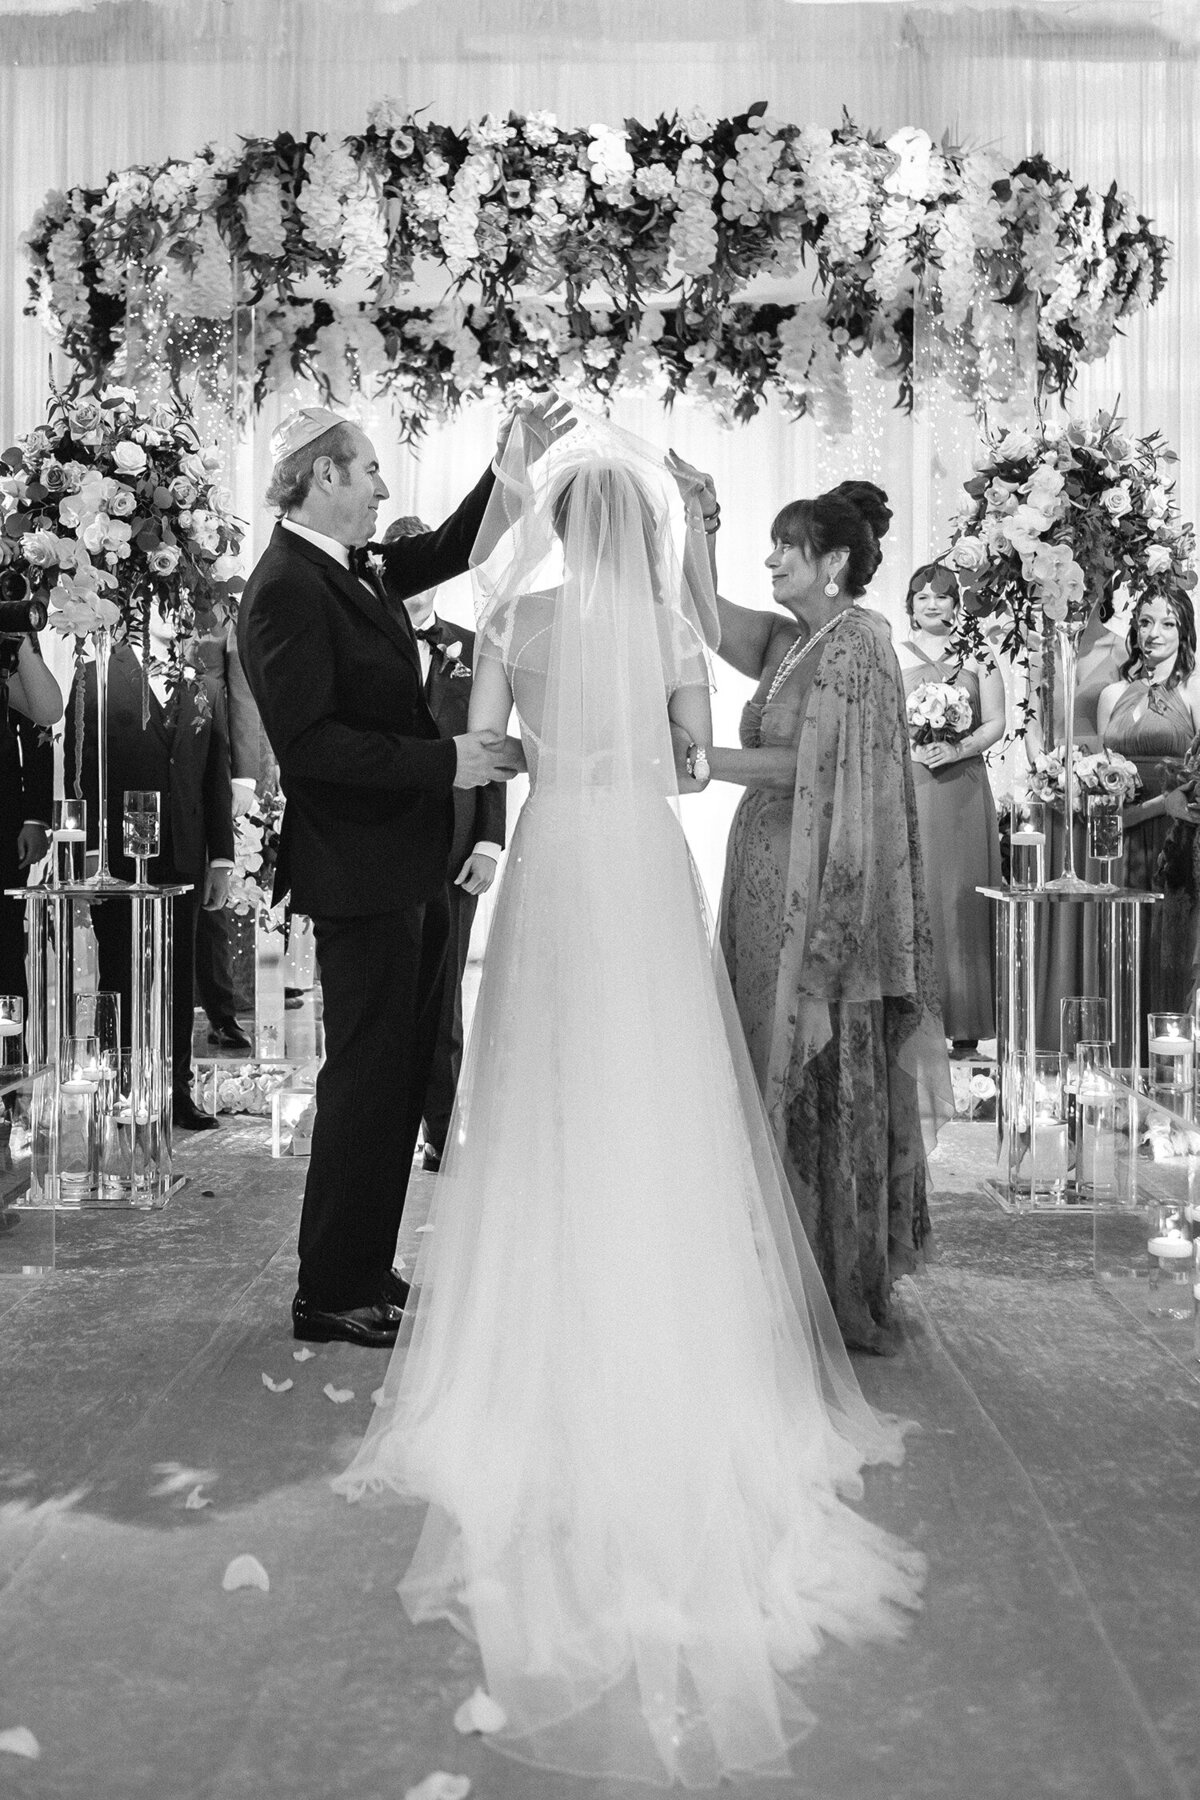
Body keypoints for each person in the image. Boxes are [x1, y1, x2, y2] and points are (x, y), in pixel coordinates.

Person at [334, 411, 925, 1788]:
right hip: (640, 859)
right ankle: (660, 1284)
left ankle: (538, 1290)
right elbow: (680, 765)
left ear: (556, 521)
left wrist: (535, 754)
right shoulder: (665, 629)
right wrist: (615, 759)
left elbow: (485, 758)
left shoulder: (514, 623)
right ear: (641, 529)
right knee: (659, 1073)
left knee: (541, 1078)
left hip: (552, 858)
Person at [238, 402, 567, 1350]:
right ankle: (329, 1289)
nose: (385, 488)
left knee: (397, 1076)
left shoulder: (357, 568)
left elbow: (462, 544)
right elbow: (310, 748)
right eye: (371, 470)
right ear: (324, 476)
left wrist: (512, 465)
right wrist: (445, 763)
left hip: (406, 866)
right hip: (359, 874)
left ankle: (366, 1267)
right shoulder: (286, 588)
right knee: (364, 1081)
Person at [666, 456, 951, 1354]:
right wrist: (699, 518)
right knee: (759, 1053)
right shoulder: (788, 644)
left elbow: (826, 772)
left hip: (822, 889)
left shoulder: (861, 641)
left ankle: (825, 1278)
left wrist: (711, 763)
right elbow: (700, 616)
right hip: (759, 883)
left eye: (786, 549)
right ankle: (766, 1261)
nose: (772, 563)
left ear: (832, 562)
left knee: (810, 1060)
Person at [67, 615, 235, 1130]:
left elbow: (215, 775)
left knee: (177, 974)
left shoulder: (203, 684)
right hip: (116, 861)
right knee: (120, 971)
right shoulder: (94, 674)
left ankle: (175, 1090)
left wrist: (221, 860)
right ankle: (119, 1091)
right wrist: (85, 858)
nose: (179, 611)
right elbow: (78, 774)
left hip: (183, 854)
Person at [379, 516, 506, 1173]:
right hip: (388, 850)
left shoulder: (472, 646)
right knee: (390, 996)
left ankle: (443, 1129)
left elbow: (491, 747)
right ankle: (385, 1130)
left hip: (458, 848)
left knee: (446, 996)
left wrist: (489, 841)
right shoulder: (368, 648)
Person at [897, 561, 1004, 1056]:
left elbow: (996, 723)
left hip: (961, 787)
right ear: (911, 606)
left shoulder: (978, 655)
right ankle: (910, 1022)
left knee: (961, 897)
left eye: (941, 595)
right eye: (922, 596)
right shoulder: (894, 655)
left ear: (957, 606)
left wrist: (957, 749)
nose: (932, 603)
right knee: (915, 893)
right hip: (912, 784)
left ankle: (966, 1026)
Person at [1097, 589, 1200, 1017]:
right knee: (1117, 945)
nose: (1152, 633)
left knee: (1167, 949)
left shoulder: (1194, 690)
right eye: (1143, 622)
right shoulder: (1112, 694)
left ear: (1185, 630)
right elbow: (1101, 770)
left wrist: (1160, 806)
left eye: (1167, 623)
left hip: (1174, 834)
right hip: (1117, 840)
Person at [192, 604, 264, 1054]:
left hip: (207, 757)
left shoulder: (216, 609)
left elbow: (241, 690)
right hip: (142, 752)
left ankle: (222, 1013)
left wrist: (244, 775)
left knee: (210, 891)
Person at [0, 633, 62, 1006]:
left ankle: (10, 1056)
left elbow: (44, 718)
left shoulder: (8, 626)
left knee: (5, 941)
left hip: (4, 817)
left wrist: (36, 817)